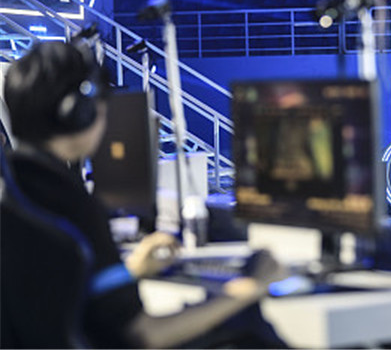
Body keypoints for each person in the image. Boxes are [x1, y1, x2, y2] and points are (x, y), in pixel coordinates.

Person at [1, 41, 286, 348]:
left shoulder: (16, 187)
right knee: (246, 326)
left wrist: (131, 271)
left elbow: (52, 292)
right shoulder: (72, 204)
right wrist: (251, 286)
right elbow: (142, 335)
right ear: (79, 113)